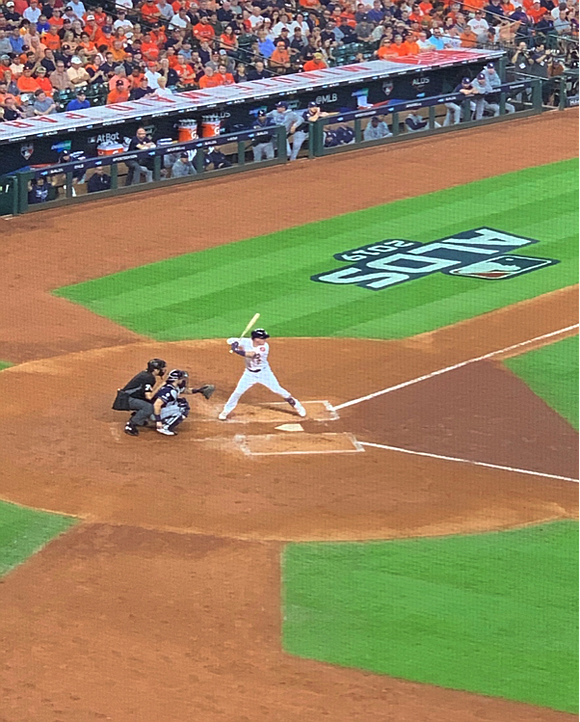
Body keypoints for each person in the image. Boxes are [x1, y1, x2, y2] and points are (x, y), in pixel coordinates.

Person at [218, 329, 306, 420]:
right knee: (238, 392)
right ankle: (226, 411)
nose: (265, 340)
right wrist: (234, 343)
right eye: (263, 338)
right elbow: (229, 340)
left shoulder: (264, 347)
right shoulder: (246, 341)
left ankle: (296, 405)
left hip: (264, 373)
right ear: (256, 339)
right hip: (249, 374)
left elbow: (250, 354)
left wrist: (236, 350)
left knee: (278, 390)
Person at [113, 358, 167, 437]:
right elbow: (148, 396)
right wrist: (161, 387)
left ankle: (139, 416)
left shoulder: (146, 374)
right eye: (162, 369)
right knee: (149, 407)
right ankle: (131, 425)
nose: (163, 370)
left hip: (128, 397)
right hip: (126, 400)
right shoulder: (149, 378)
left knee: (152, 402)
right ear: (155, 370)